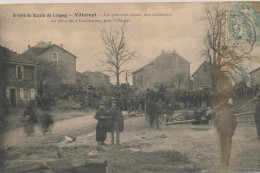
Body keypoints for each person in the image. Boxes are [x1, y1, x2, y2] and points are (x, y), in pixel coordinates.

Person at [215, 91, 237, 165]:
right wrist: (232, 130)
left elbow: (215, 122)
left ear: (223, 107)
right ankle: (227, 161)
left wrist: (218, 129)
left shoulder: (220, 114)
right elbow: (235, 123)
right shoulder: (232, 114)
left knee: (222, 146)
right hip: (229, 132)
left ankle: (223, 160)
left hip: (222, 132)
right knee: (228, 146)